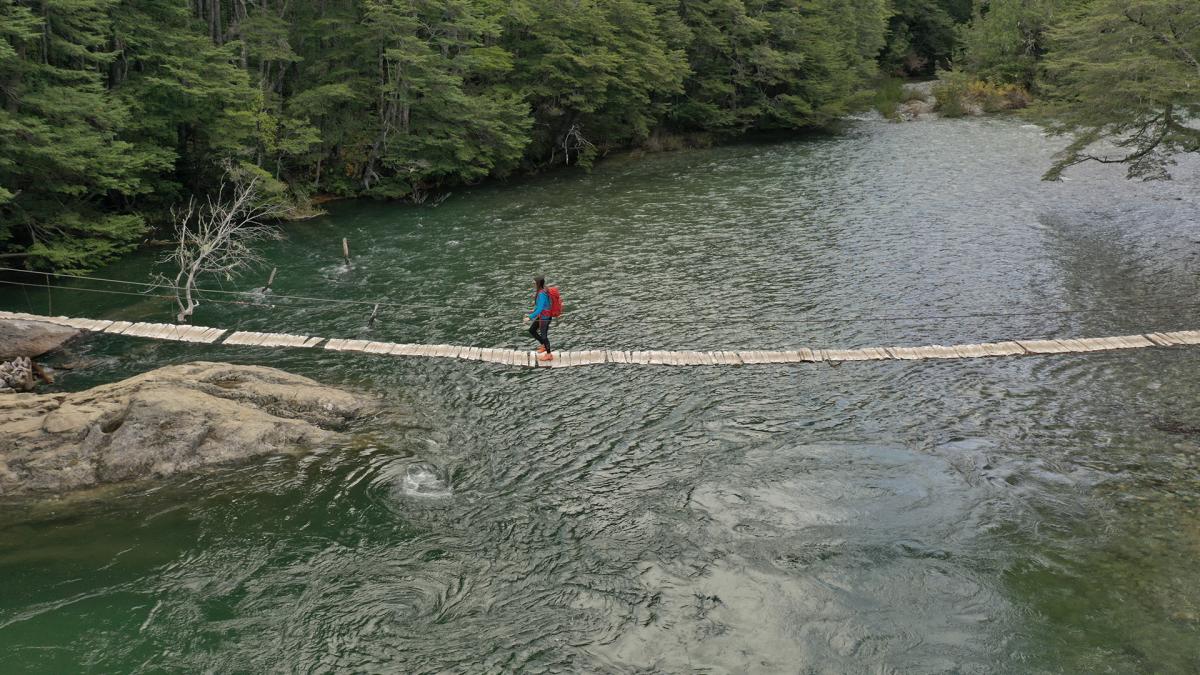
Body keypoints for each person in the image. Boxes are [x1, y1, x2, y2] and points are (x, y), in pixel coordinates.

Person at [524, 275, 554, 362]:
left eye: (534, 282)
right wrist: (534, 311)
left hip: (545, 317)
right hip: (543, 316)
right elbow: (543, 305)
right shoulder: (544, 290)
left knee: (544, 336)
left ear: (538, 283)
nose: (533, 283)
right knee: (532, 330)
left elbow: (541, 308)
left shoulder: (541, 293)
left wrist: (529, 317)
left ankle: (549, 355)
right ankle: (544, 345)